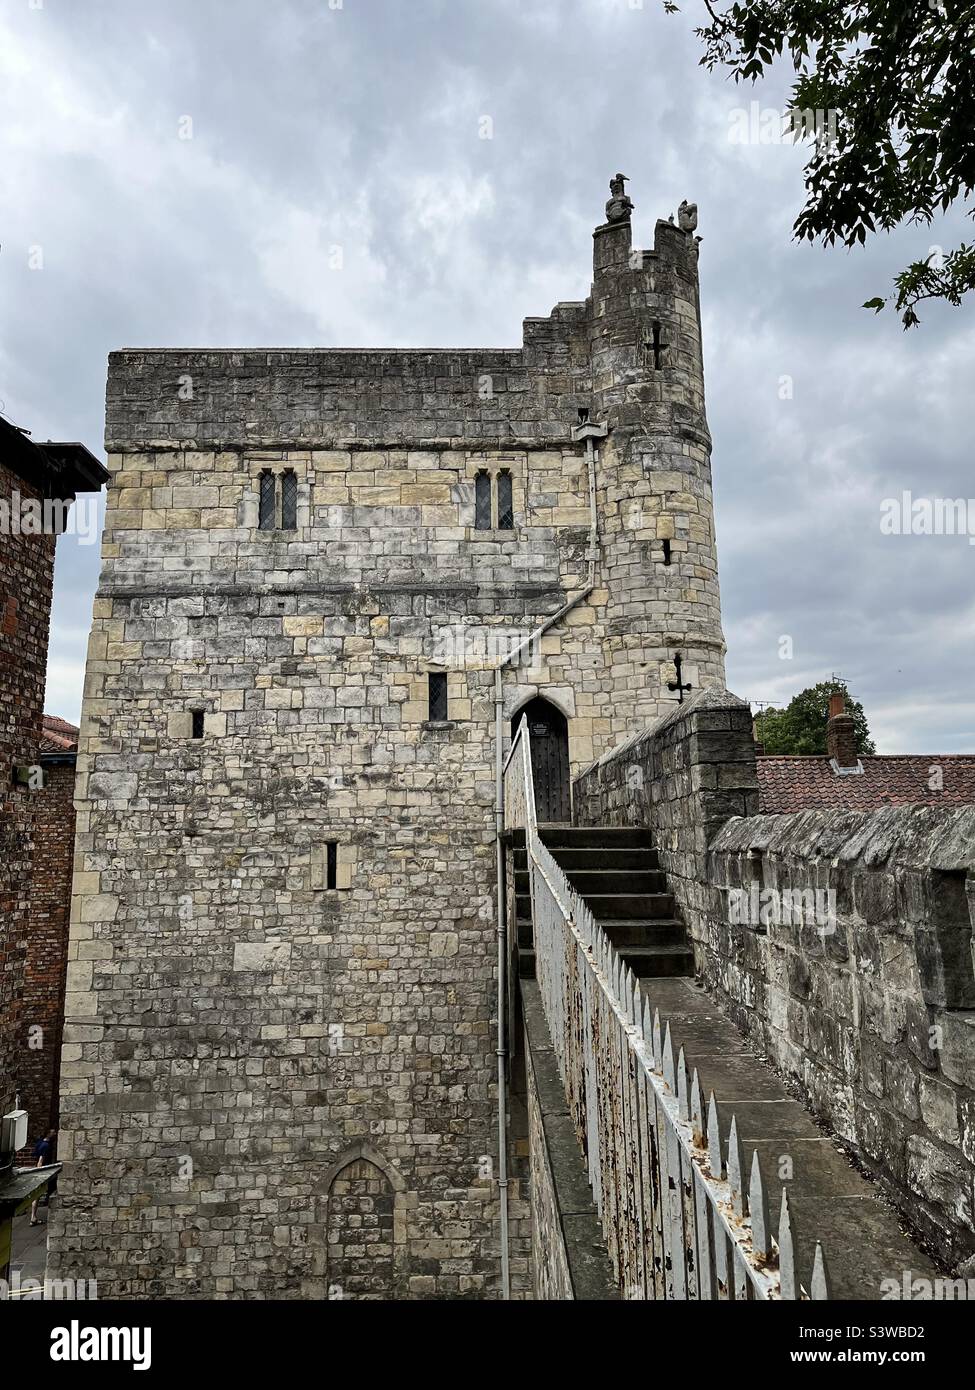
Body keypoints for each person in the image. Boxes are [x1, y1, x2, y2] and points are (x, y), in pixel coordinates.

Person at [29, 1129, 57, 1227]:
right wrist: (39, 1173)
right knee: (48, 1193)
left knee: (36, 1196)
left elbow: (35, 1155)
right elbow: (40, 1160)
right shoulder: (46, 1146)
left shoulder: (39, 1143)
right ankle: (34, 1217)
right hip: (44, 1173)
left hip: (41, 1171)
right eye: (53, 1132)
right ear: (49, 1133)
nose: (55, 1134)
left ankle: (33, 1217)